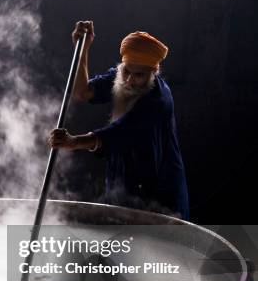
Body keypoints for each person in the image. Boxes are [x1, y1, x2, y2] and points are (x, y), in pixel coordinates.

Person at [49, 21, 189, 220]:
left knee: (156, 247)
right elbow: (82, 92)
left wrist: (74, 142)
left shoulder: (158, 100)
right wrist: (82, 48)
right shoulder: (119, 76)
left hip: (158, 193)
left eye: (139, 75)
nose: (130, 80)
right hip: (124, 183)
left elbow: (121, 132)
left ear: (154, 72)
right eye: (127, 71)